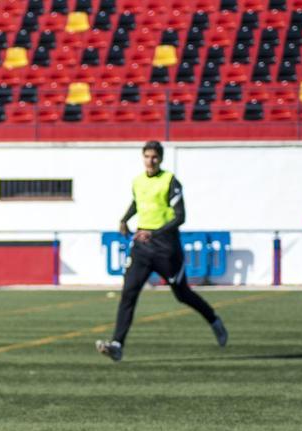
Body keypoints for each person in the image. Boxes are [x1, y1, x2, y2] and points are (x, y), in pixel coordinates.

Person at [96, 141, 227, 362]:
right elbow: (138, 203)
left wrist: (154, 234)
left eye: (154, 157)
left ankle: (214, 320)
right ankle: (117, 344)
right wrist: (124, 219)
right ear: (142, 157)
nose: (150, 160)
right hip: (141, 247)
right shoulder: (138, 181)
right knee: (129, 292)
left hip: (166, 248)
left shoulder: (170, 181)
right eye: (147, 156)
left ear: (161, 158)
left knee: (182, 294)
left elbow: (180, 216)